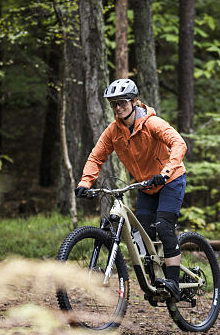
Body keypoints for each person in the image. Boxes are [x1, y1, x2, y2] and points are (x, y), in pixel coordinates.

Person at [75, 78, 189, 299]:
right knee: (141, 235)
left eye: (123, 103)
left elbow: (179, 144)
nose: (118, 108)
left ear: (135, 102)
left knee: (164, 226)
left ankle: (173, 282)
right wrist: (85, 183)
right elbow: (96, 157)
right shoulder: (113, 132)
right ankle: (156, 281)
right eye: (114, 104)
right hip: (146, 185)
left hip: (171, 179)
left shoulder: (152, 124)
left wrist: (165, 173)